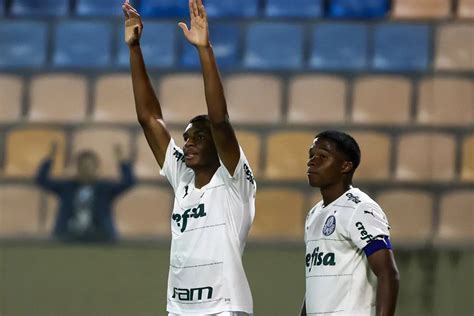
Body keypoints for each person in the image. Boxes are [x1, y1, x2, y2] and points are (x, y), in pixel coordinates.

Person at [123, 0, 256, 315]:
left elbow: (220, 120)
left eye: (199, 136)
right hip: (180, 308)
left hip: (224, 307)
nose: (189, 143)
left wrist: (204, 49)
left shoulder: (234, 178)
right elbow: (149, 118)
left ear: (218, 145)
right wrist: (134, 48)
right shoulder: (181, 174)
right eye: (186, 137)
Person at [301, 130, 399, 316]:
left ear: (345, 166)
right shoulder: (314, 214)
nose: (312, 161)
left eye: (322, 156)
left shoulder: (360, 208)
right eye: (311, 155)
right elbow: (315, 283)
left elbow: (388, 273)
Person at [36, 143, 135, 242]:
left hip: (100, 236)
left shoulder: (104, 189)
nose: (86, 169)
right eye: (83, 166)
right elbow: (42, 180)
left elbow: (128, 182)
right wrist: (50, 158)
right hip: (68, 236)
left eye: (89, 166)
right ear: (78, 168)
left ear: (96, 168)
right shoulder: (67, 187)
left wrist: (121, 160)